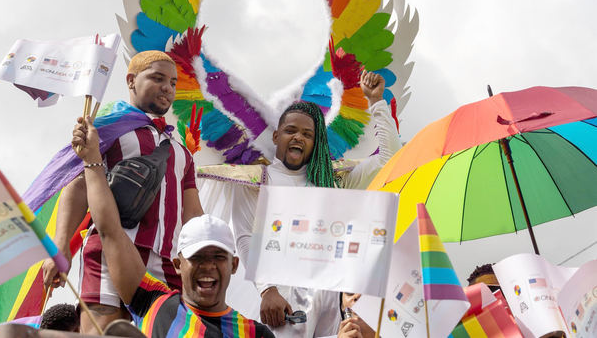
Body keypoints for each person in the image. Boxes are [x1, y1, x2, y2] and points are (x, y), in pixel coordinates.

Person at [225, 69, 401, 337]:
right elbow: (245, 237)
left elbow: (389, 160)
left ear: (315, 142)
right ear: (276, 137)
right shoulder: (256, 179)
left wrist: (376, 102)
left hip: (329, 298)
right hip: (282, 297)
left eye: (307, 134)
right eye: (290, 131)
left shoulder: (334, 182)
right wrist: (267, 289)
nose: (298, 138)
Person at [42, 51, 204, 334]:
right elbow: (78, 186)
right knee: (101, 331)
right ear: (131, 81)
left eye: (173, 82)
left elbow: (193, 215)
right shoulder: (104, 130)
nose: (167, 87)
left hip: (166, 264)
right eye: (157, 78)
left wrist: (205, 256)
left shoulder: (182, 153)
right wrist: (59, 247)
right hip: (107, 253)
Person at [72, 115, 274, 337]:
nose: (207, 266)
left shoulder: (256, 334)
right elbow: (110, 230)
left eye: (218, 257)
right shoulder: (153, 303)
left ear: (234, 265)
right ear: (178, 264)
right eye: (197, 257)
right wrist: (92, 160)